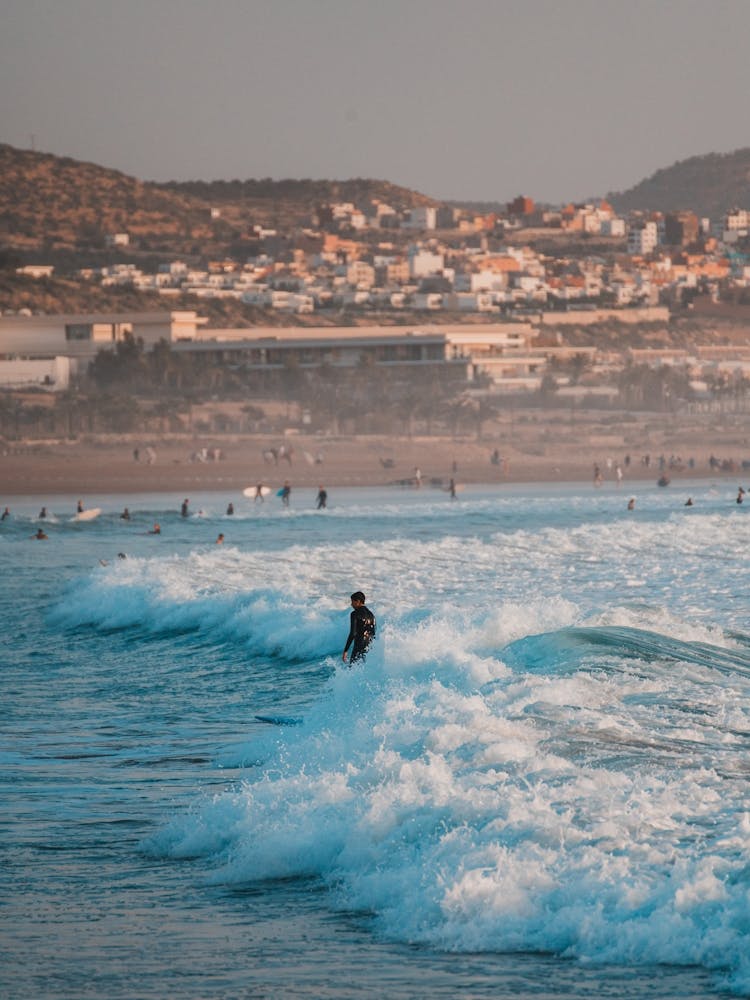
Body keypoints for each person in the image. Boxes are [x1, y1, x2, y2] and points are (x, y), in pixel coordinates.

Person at [342, 591, 376, 665]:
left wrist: (345, 650)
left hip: (359, 646)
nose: (351, 604)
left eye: (352, 602)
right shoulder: (372, 615)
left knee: (352, 668)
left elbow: (353, 633)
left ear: (358, 601)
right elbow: (373, 633)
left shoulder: (354, 614)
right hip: (369, 647)